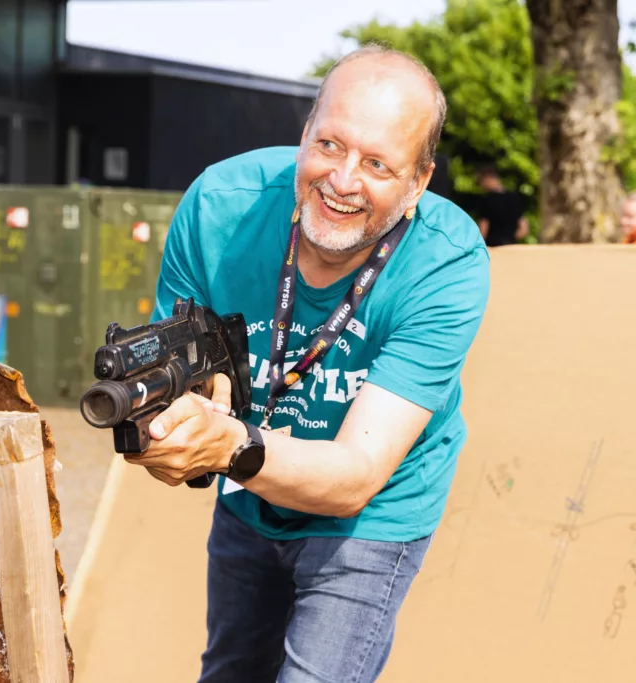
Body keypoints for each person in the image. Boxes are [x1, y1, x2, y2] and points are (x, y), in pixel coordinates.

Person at [126, 45, 491, 683]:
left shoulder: (447, 263)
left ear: (419, 181)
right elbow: (178, 376)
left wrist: (228, 445)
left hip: (372, 514)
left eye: (378, 163)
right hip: (249, 499)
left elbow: (355, 477)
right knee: (230, 673)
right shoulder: (219, 208)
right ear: (303, 136)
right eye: (329, 146)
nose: (343, 181)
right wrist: (164, 430)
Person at [473, 164, 529, 247]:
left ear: (487, 178)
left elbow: (484, 227)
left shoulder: (487, 200)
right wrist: (510, 239)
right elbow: (524, 229)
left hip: (492, 246)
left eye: (480, 182)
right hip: (511, 246)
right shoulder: (514, 198)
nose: (481, 186)